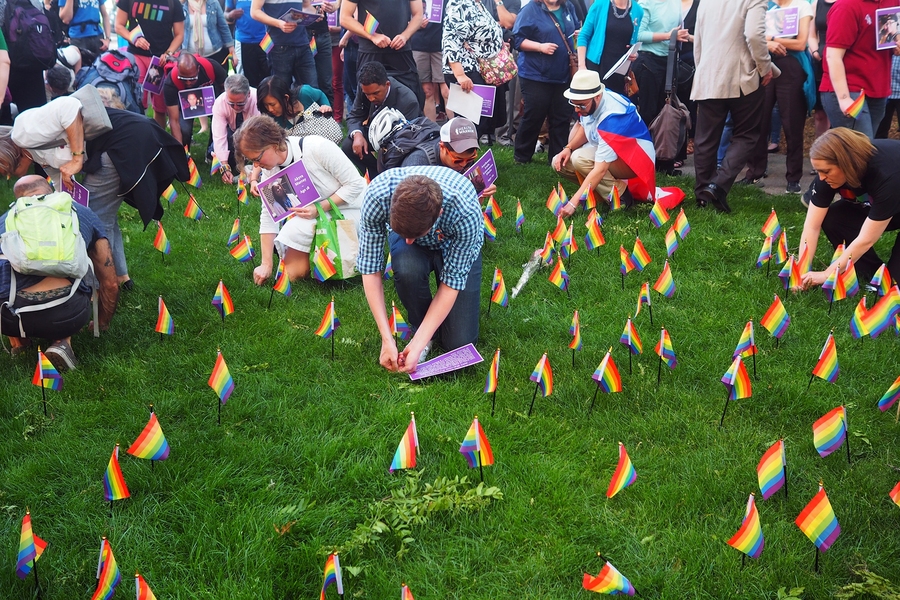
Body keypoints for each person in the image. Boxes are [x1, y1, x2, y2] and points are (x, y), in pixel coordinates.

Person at [0, 94, 191, 289]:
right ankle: (121, 277)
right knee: (103, 215)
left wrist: (77, 158)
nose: (9, 176)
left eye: (5, 171)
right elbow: (61, 187)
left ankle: (97, 288)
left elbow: (69, 106)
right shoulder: (35, 152)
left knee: (91, 219)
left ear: (7, 155)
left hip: (124, 140)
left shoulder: (22, 132)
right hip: (126, 140)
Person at [357, 167, 483, 373]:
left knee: (458, 344)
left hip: (454, 241)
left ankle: (425, 335)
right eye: (403, 234)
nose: (408, 241)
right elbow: (370, 268)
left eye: (414, 235)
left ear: (439, 214)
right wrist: (386, 338)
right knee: (407, 266)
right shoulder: (377, 196)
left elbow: (452, 283)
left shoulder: (465, 210)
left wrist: (415, 346)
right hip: (415, 230)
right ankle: (424, 331)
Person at [0, 175, 118, 370]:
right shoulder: (81, 213)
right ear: (51, 191)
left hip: (9, 317)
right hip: (64, 314)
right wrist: (102, 322)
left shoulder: (5, 220)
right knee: (67, 283)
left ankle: (19, 343)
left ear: (18, 200)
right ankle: (61, 343)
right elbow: (110, 283)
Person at [234, 114, 366, 281]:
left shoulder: (317, 147)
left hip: (354, 209)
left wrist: (320, 208)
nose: (257, 166)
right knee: (288, 277)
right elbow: (269, 215)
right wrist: (266, 264)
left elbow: (356, 185)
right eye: (252, 162)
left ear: (274, 144)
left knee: (298, 230)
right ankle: (316, 257)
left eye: (257, 159)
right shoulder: (269, 171)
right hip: (316, 217)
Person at [690, 0, 776, 213]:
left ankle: (703, 195)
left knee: (705, 138)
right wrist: (764, 67)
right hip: (742, 76)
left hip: (709, 74)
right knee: (747, 135)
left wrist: (702, 70)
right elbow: (755, 35)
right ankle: (718, 185)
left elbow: (698, 41)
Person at [800, 128, 900, 289]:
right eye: (818, 171)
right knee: (832, 218)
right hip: (882, 204)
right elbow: (812, 225)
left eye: (826, 171)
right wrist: (802, 269)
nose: (821, 178)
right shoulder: (825, 176)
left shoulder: (888, 175)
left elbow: (866, 239)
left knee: (894, 288)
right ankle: (870, 271)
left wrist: (828, 274)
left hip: (892, 194)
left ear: (847, 164)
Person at [551, 69, 655, 215]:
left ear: (597, 97)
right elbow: (586, 125)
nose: (577, 110)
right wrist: (568, 148)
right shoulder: (591, 101)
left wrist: (572, 204)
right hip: (618, 154)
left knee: (580, 159)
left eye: (580, 105)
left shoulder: (611, 118)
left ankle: (621, 197)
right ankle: (602, 193)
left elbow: (600, 169)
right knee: (559, 163)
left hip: (634, 162)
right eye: (574, 104)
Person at [741, 0, 813, 194]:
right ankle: (754, 172)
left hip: (791, 65)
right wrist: (768, 44)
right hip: (764, 64)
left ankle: (793, 178)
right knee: (759, 121)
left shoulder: (802, 6)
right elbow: (749, 35)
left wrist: (770, 39)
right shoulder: (766, 6)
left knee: (792, 123)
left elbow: (801, 42)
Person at [820, 0, 900, 141]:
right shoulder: (846, 6)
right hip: (849, 89)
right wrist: (844, 98)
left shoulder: (892, 2)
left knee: (866, 149)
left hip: (877, 89)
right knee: (860, 150)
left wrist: (896, 44)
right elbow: (833, 56)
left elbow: (888, 39)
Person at [512, 0, 580, 164]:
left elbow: (574, 29)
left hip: (563, 73)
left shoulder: (568, 7)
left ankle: (557, 158)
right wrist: (540, 47)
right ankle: (522, 157)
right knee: (534, 115)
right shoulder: (530, 10)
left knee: (562, 117)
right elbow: (517, 40)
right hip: (536, 74)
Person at [339, 0, 425, 108]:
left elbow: (418, 15)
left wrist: (405, 36)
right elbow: (345, 18)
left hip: (401, 50)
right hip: (370, 51)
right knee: (368, 102)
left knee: (411, 98)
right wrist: (373, 36)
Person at [115, 0, 186, 128]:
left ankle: (158, 139)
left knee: (160, 107)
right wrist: (133, 38)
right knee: (137, 101)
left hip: (160, 60)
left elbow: (179, 34)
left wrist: (169, 52)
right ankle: (136, 135)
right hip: (137, 56)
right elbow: (119, 26)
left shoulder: (173, 3)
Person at [342, 61, 421, 174]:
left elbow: (407, 139)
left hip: (400, 141)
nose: (371, 98)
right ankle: (374, 175)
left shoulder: (408, 101)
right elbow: (354, 115)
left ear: (387, 84)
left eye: (376, 93)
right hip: (375, 131)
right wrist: (357, 134)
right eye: (367, 94)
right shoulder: (365, 88)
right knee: (348, 145)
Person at [443, 0, 507, 140]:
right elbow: (451, 39)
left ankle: (468, 157)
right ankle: (459, 158)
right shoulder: (458, 3)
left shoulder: (477, 3)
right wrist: (460, 75)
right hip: (466, 71)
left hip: (480, 70)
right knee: (468, 125)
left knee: (481, 122)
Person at [633, 0, 688, 126]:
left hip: (670, 62)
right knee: (648, 113)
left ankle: (662, 144)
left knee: (665, 112)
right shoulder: (646, 3)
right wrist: (668, 36)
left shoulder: (676, 3)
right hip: (648, 63)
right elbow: (638, 35)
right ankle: (645, 144)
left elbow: (680, 30)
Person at [576, 0, 643, 95]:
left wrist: (634, 53)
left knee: (616, 105)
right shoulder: (599, 4)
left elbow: (633, 42)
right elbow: (583, 36)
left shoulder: (638, 10)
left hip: (620, 71)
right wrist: (581, 66)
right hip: (596, 67)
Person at [250, 0, 319, 92]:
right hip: (278, 45)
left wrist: (315, 14)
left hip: (303, 43)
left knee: (312, 90)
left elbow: (306, 6)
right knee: (281, 91)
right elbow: (254, 12)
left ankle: (309, 107)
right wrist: (278, 23)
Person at [162, 52, 228, 147]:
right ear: (178, 69)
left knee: (220, 124)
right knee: (183, 129)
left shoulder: (211, 67)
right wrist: (180, 153)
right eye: (183, 79)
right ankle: (185, 154)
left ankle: (213, 152)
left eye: (192, 79)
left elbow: (226, 88)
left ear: (198, 69)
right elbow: (174, 120)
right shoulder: (170, 83)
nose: (188, 83)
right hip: (184, 105)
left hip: (212, 99)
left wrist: (221, 107)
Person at [213, 74, 260, 182]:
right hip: (232, 132)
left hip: (254, 134)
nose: (235, 107)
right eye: (231, 103)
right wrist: (224, 166)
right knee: (229, 159)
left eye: (240, 104)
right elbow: (219, 135)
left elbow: (260, 136)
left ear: (248, 94)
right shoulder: (220, 103)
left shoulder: (258, 99)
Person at [256, 75, 332, 131]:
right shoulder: (272, 120)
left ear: (286, 98)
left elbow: (320, 95)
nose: (270, 109)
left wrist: (326, 106)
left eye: (272, 104)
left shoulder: (304, 94)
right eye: (266, 105)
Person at [226, 0, 270, 87]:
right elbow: (225, 14)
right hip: (243, 40)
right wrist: (230, 15)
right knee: (244, 80)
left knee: (268, 76)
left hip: (266, 39)